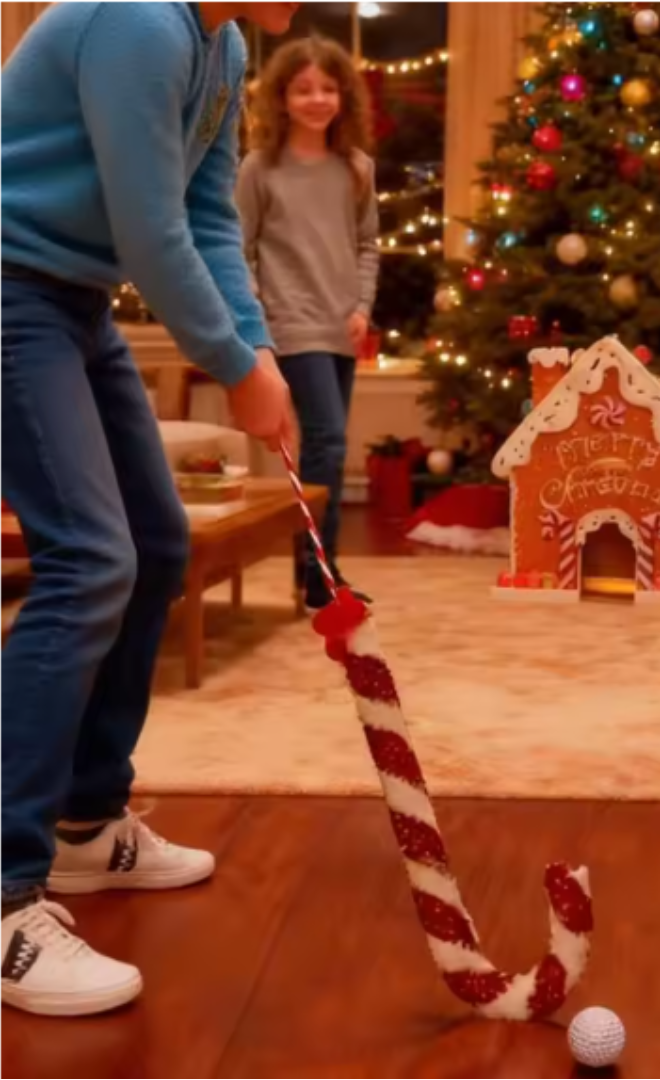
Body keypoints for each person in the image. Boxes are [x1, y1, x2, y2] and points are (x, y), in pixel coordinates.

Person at [1, 2, 300, 1017]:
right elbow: (149, 229)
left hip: (71, 301)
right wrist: (234, 368)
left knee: (158, 544)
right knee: (92, 561)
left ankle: (86, 825)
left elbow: (206, 217)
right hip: (10, 290)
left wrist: (254, 352)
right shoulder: (139, 21)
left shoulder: (223, 43)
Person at [237, 37, 380, 613]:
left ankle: (311, 567)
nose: (317, 99)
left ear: (344, 96)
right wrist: (257, 314)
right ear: (281, 97)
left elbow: (368, 245)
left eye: (327, 88)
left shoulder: (357, 168)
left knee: (326, 445)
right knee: (327, 440)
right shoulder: (259, 169)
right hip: (290, 324)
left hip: (342, 325)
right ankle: (322, 574)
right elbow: (240, 248)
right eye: (303, 89)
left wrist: (362, 307)